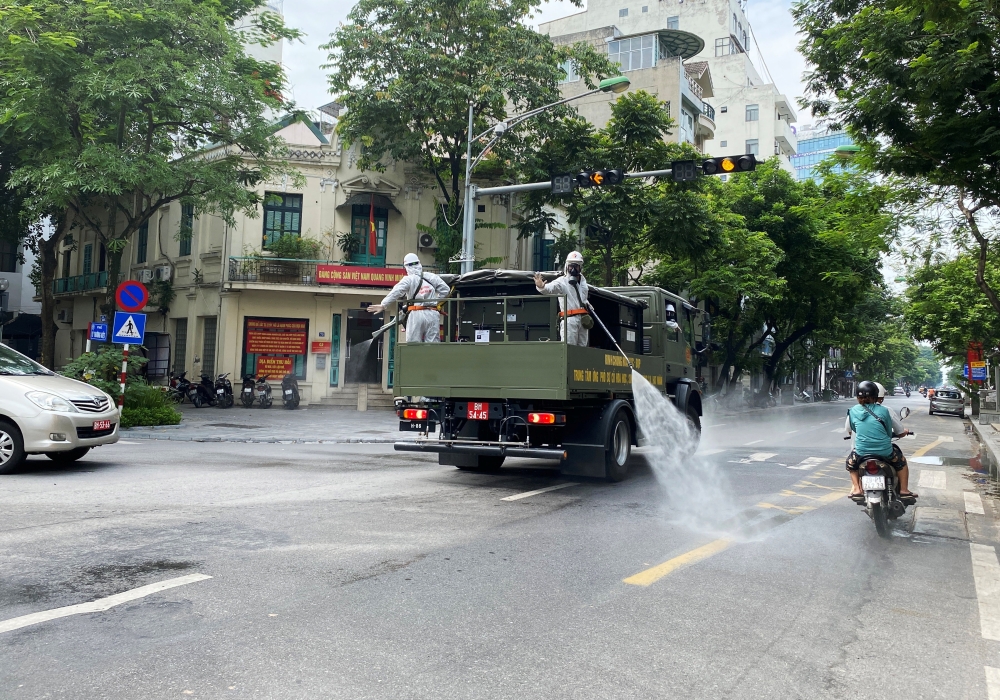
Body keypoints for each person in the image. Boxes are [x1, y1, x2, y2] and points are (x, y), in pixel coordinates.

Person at [845, 380, 917, 501]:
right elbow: (889, 432)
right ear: (876, 396)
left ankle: (857, 489)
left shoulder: (852, 411)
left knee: (851, 464)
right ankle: (904, 490)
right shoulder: (884, 410)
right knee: (901, 462)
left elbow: (852, 429)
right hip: (885, 452)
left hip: (861, 453)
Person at [367, 253, 449, 342]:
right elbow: (446, 290)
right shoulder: (431, 276)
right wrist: (435, 302)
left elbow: (396, 291)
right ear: (419, 263)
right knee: (432, 346)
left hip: (416, 313)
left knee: (413, 345)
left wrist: (383, 305)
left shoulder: (409, 279)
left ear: (406, 267)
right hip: (433, 314)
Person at [533, 250, 590, 347]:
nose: (573, 269)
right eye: (571, 265)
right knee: (569, 349)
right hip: (569, 320)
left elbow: (582, 299)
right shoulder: (561, 282)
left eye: (576, 266)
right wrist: (541, 286)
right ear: (567, 266)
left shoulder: (583, 283)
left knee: (582, 350)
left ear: (580, 267)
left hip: (583, 320)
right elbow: (550, 289)